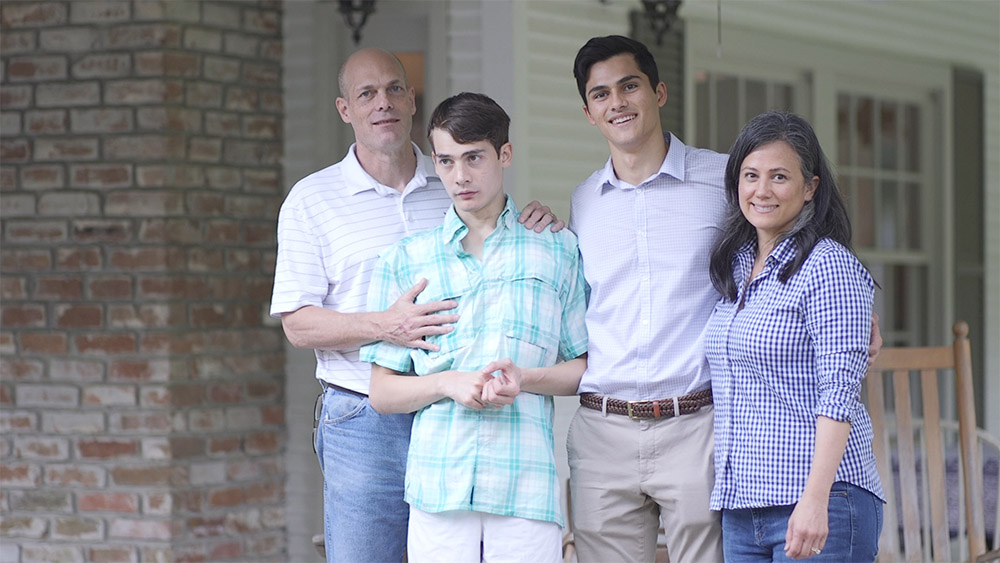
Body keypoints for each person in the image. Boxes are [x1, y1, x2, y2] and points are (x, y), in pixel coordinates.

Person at [269, 49, 561, 563]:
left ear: (411, 100)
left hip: (456, 417)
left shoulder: (452, 181)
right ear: (344, 109)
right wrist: (387, 325)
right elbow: (298, 325)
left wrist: (534, 219)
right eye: (366, 94)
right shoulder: (312, 200)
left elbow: (497, 246)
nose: (383, 103)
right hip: (363, 418)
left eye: (394, 89)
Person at [361, 92, 588, 563]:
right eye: (445, 161)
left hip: (525, 486)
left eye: (473, 158)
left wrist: (525, 379)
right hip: (438, 487)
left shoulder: (557, 248)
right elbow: (383, 392)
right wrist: (447, 384)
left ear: (504, 155)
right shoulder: (406, 260)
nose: (459, 176)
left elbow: (583, 369)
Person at [567, 35, 728, 562]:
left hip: (696, 424)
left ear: (658, 92)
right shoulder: (584, 201)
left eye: (629, 86)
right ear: (589, 112)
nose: (617, 102)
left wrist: (856, 308)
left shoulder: (723, 180)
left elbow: (796, 233)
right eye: (600, 94)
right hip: (602, 429)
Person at [705, 111, 884, 561]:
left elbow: (838, 392)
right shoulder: (737, 267)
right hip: (744, 506)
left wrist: (814, 500)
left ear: (810, 188)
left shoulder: (828, 266)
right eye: (751, 175)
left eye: (779, 176)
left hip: (820, 502)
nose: (761, 190)